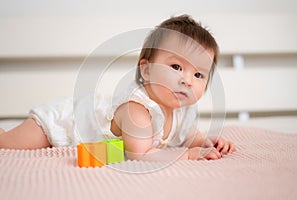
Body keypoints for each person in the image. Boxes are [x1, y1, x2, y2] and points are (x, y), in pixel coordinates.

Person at [0, 15, 236, 161]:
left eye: (198, 74)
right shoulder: (137, 109)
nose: (187, 80)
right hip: (65, 121)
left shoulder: (183, 109)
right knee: (8, 143)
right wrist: (187, 156)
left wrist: (207, 142)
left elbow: (187, 135)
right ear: (146, 70)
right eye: (176, 66)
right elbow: (140, 154)